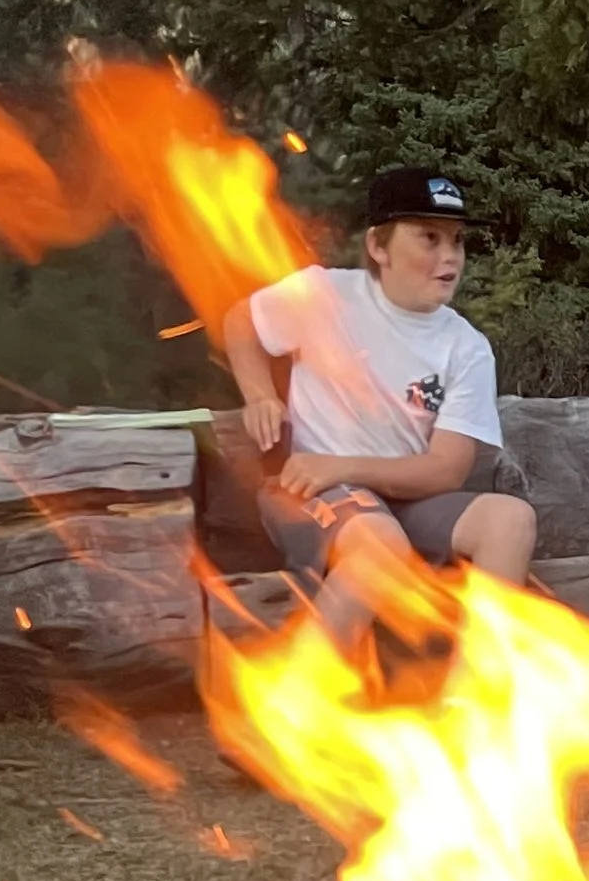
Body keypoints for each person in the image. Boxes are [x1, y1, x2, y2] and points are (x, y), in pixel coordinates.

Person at [223, 165, 535, 646]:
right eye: (429, 238)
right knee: (379, 544)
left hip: (400, 498)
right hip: (313, 493)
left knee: (511, 521)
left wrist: (341, 464)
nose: (450, 256)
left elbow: (446, 470)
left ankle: (476, 698)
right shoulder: (325, 294)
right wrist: (260, 395)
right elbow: (241, 321)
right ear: (378, 247)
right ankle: (307, 696)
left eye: (456, 240)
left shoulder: (466, 347)